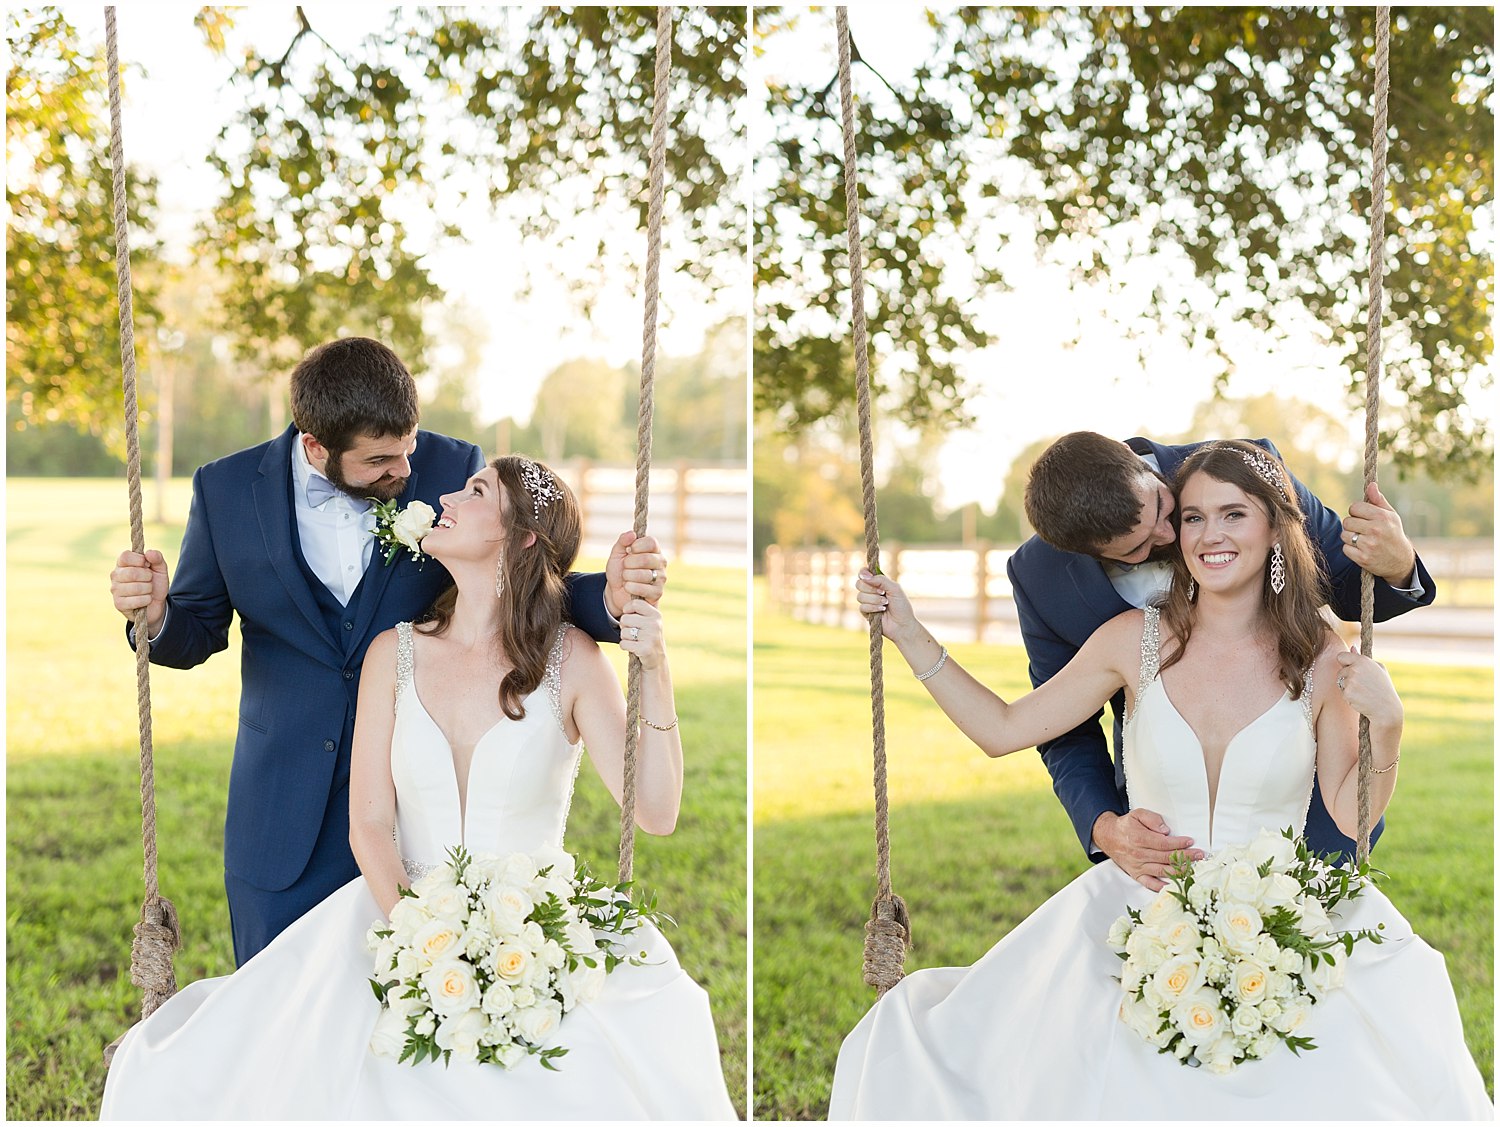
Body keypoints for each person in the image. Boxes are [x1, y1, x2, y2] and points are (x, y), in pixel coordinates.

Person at [830, 441, 1489, 1119]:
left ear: (1273, 526)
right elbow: (1002, 728)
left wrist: (1391, 730)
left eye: (1233, 514)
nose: (1201, 535)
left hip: (1279, 913)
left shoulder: (1321, 656)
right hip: (1138, 905)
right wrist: (908, 634)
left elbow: (1350, 824)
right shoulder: (1129, 640)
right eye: (1197, 518)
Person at [101, 455, 737, 1119]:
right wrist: (419, 938)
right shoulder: (394, 653)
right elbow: (370, 822)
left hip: (536, 931)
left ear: (520, 536)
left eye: (477, 490)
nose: (447, 495)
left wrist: (655, 667)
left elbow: (657, 812)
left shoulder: (571, 660)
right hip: (398, 916)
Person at [108, 338, 667, 965]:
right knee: (284, 1018)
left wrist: (613, 602)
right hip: (283, 811)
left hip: (421, 809)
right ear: (316, 446)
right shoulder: (226, 489)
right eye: (380, 460)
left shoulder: (454, 468)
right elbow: (198, 629)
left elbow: (518, 579)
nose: (403, 470)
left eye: (409, 447)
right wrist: (156, 615)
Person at [1008, 432, 1435, 889]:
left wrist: (1397, 563)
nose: (1170, 537)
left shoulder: (1244, 471)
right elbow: (1061, 729)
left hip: (1311, 807)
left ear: (1145, 469)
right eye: (1134, 551)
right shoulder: (1040, 578)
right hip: (1167, 828)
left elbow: (1348, 582)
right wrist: (1104, 826)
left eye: (1164, 510)